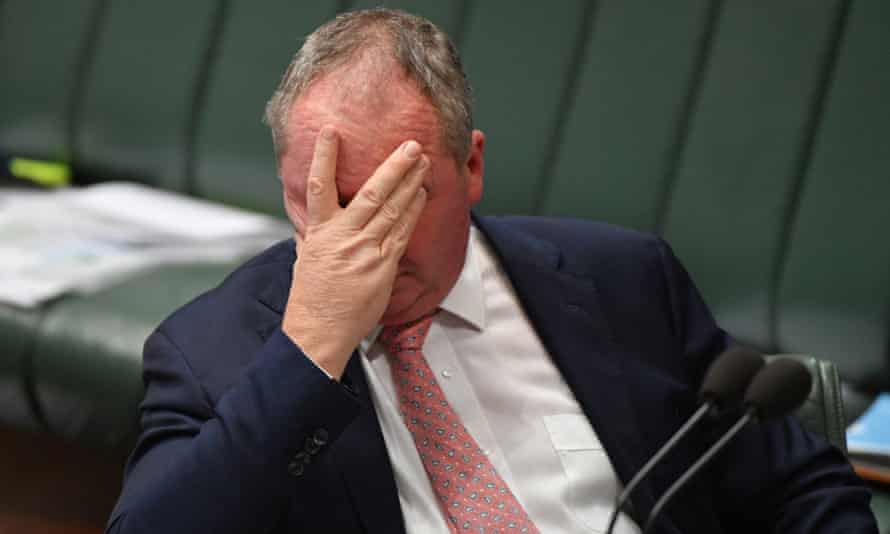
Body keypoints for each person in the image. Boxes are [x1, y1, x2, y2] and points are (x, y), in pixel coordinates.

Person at [107, 8, 877, 534]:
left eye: (400, 200)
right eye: (328, 203)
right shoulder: (208, 353)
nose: (366, 243)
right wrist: (308, 349)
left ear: (471, 167)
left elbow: (804, 493)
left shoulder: (622, 281)